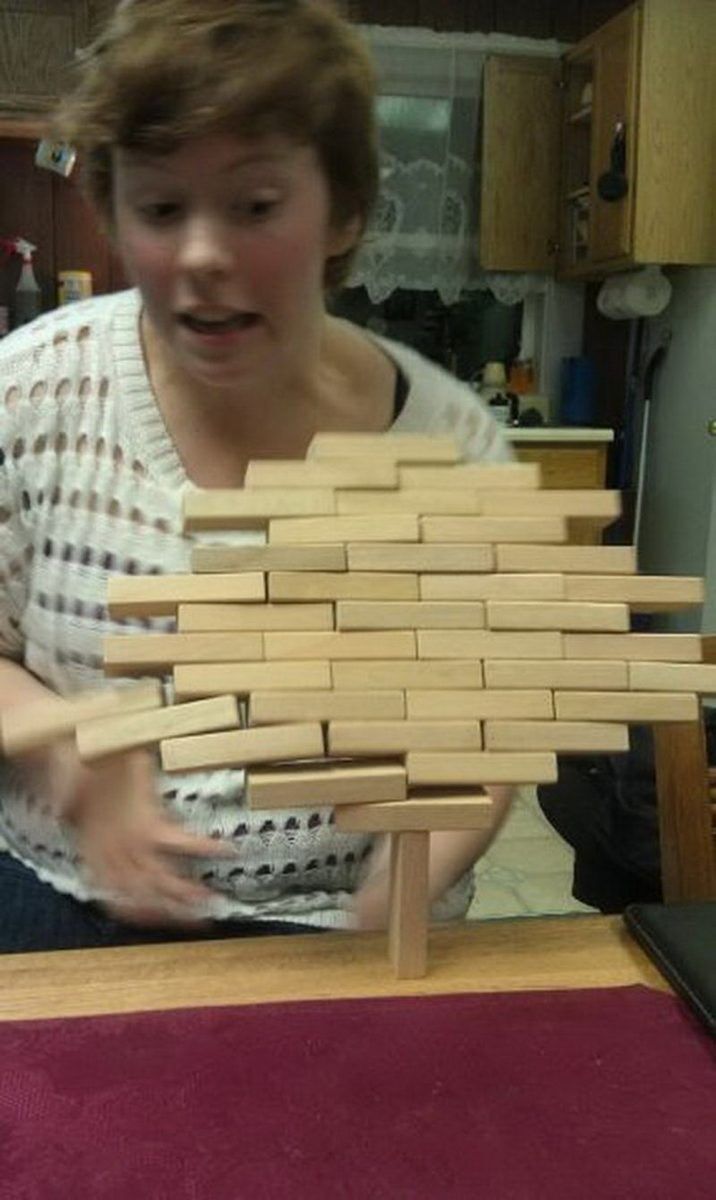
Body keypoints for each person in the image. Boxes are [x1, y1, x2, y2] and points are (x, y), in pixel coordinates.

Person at [0, 0, 513, 953]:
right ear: (113, 213)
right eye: (161, 209)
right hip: (58, 895)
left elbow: (488, 724)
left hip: (329, 924)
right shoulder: (31, 391)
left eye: (256, 206)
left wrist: (404, 883)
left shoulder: (457, 449)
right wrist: (61, 739)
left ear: (344, 212)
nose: (203, 253)